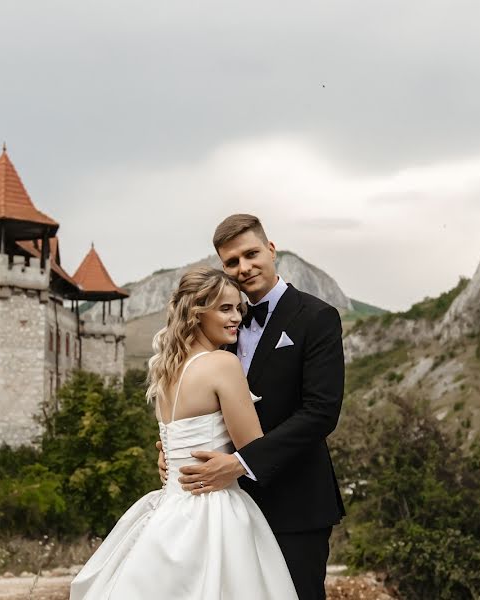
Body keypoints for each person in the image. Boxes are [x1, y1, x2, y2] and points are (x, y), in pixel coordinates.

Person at [70, 267, 299, 600]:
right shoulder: (222, 364)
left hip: (169, 508)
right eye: (225, 308)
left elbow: (172, 444)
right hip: (214, 509)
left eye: (238, 308)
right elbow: (253, 447)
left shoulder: (166, 370)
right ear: (196, 312)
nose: (236, 317)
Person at [161, 214, 346, 600]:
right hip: (223, 509)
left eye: (251, 254)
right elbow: (200, 404)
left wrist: (242, 464)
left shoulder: (317, 317)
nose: (243, 268)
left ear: (271, 249)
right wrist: (173, 451)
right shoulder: (223, 326)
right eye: (231, 262)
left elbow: (321, 412)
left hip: (294, 504)